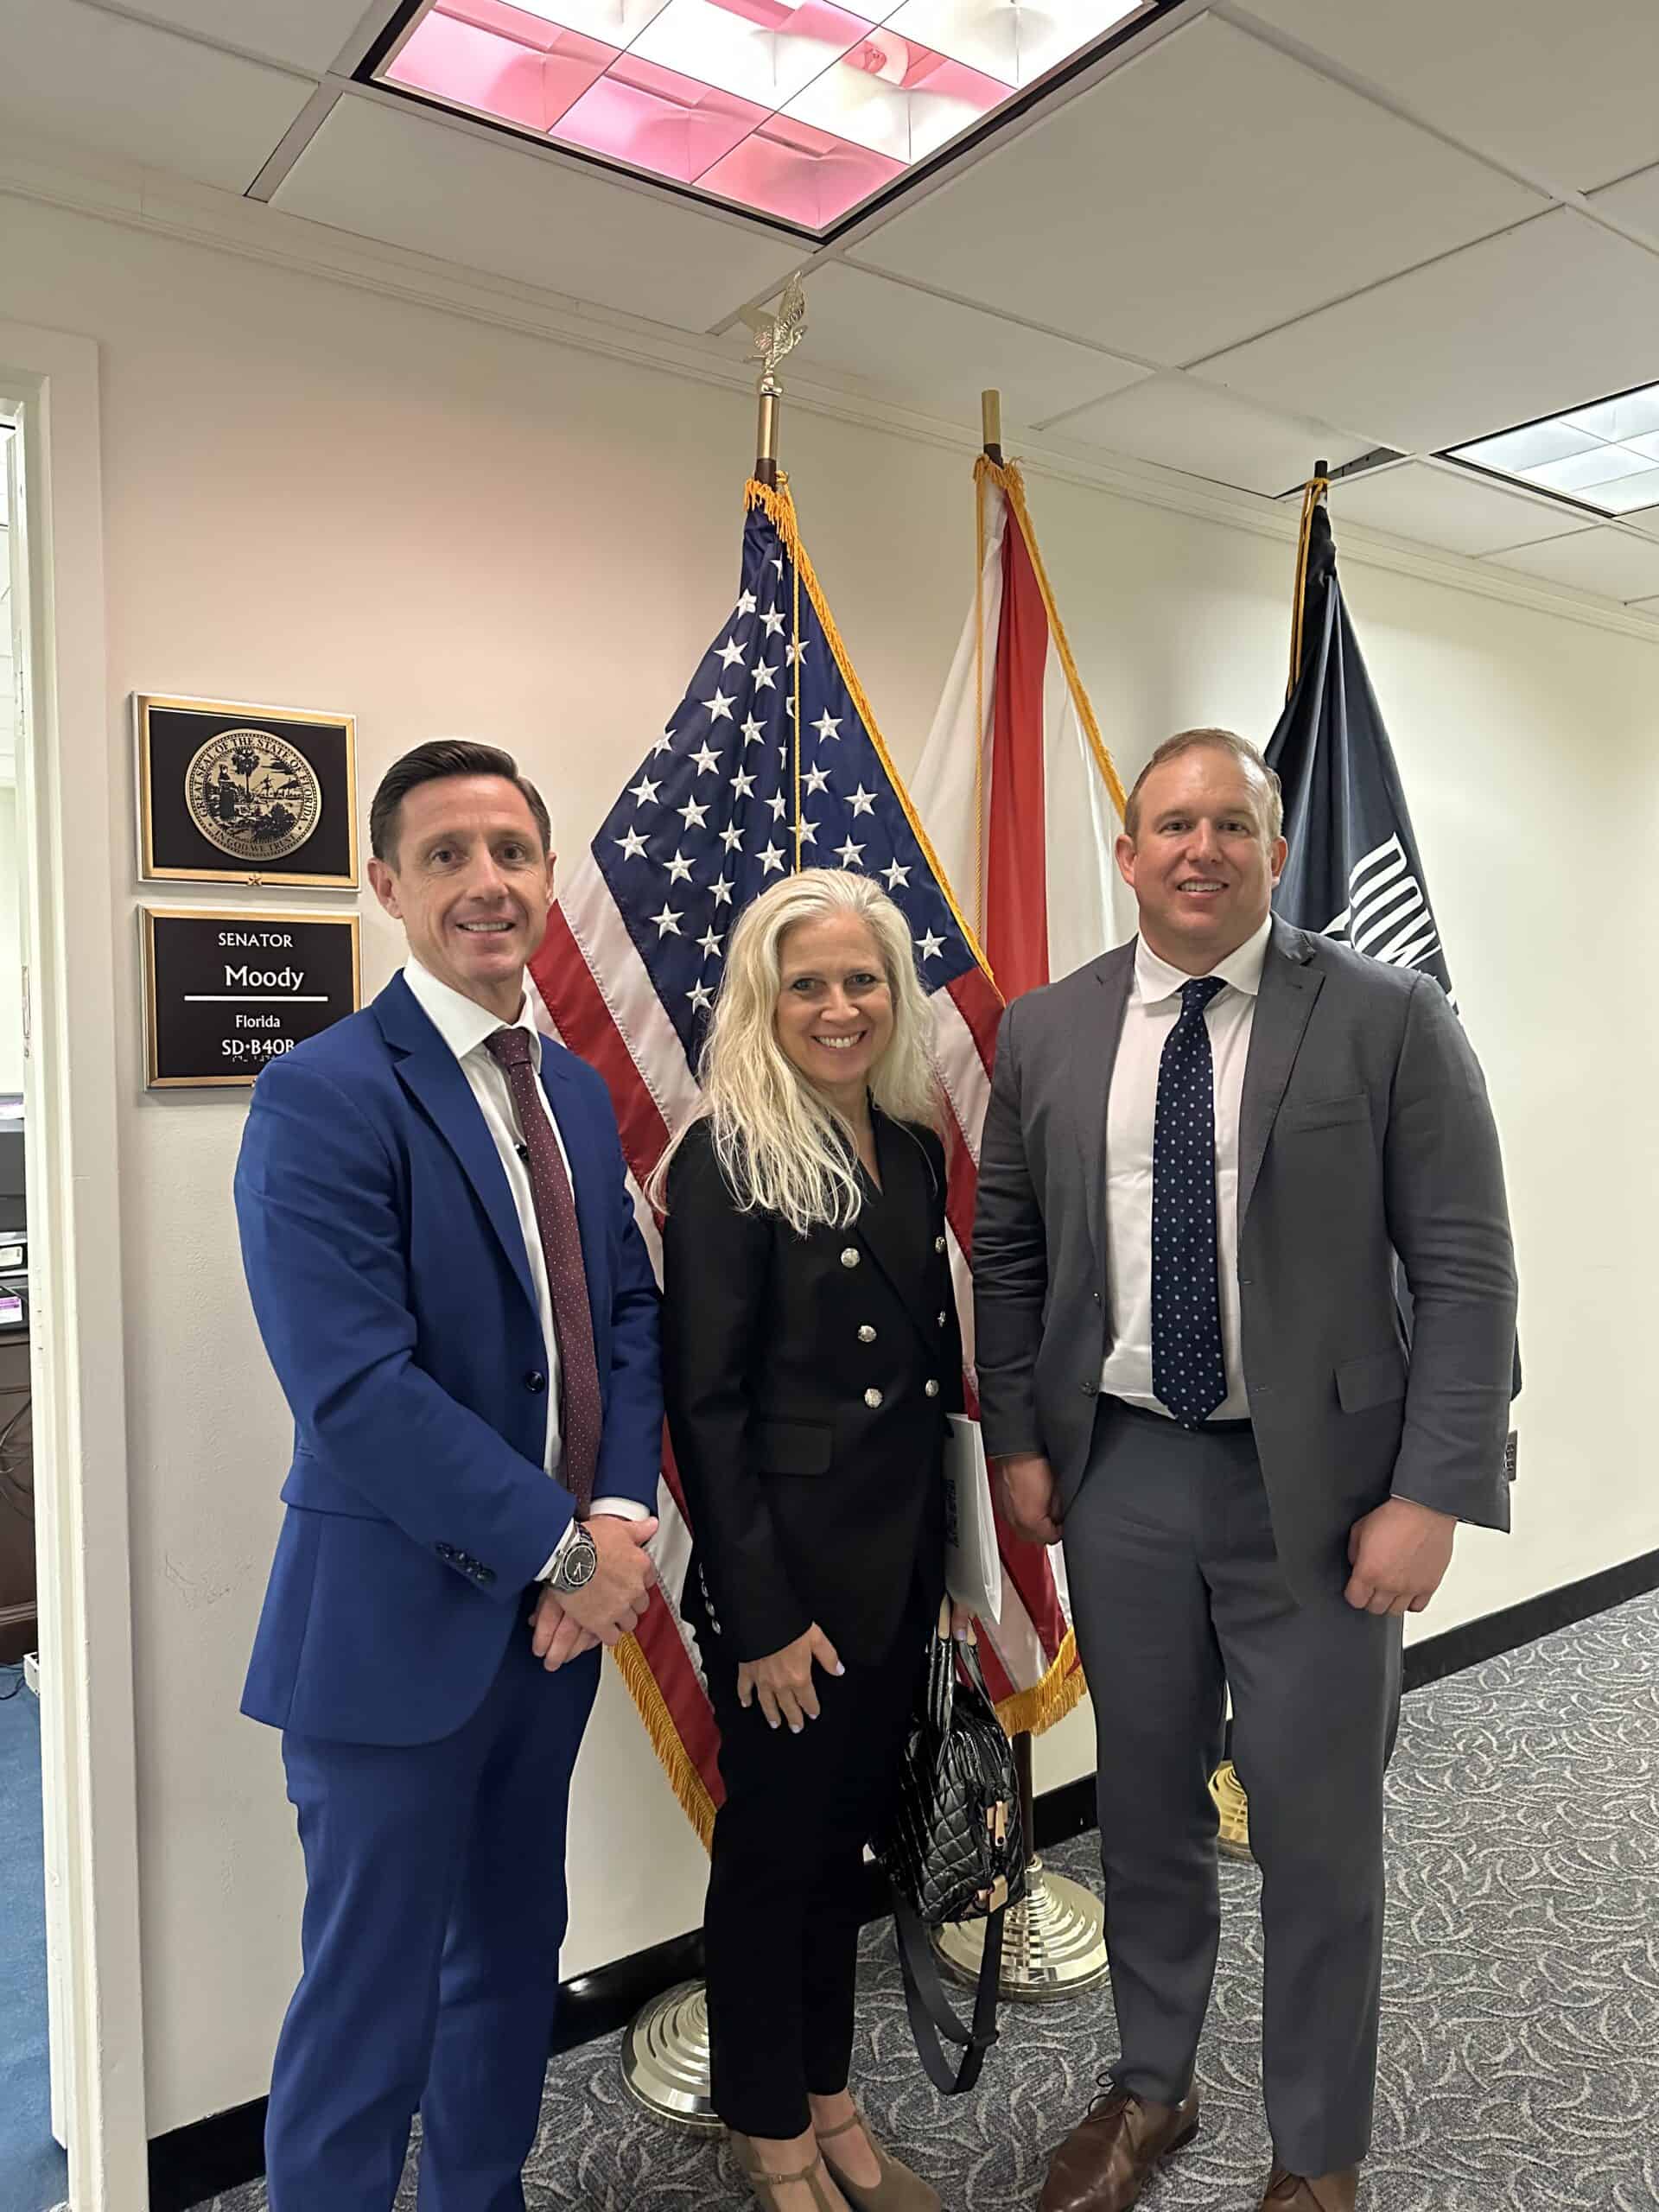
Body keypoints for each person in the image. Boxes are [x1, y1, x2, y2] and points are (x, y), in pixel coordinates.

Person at [975, 729, 1517, 2212]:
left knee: (1315, 1826)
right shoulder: (1048, 1030)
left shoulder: (1389, 1018)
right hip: (1126, 1472)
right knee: (1143, 1806)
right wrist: (1020, 1435)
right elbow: (1010, 1254)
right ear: (1130, 850)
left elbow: (1464, 1268)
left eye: (1231, 823)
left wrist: (1435, 1491)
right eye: (1170, 824)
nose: (1199, 849)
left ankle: (1316, 2154)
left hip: (1329, 1494)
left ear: (1274, 852)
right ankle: (1152, 2090)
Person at [235, 740, 664, 2211]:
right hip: (390, 1641)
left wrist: (617, 1514)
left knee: (507, 1970)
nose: (488, 883)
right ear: (386, 889)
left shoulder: (579, 1099)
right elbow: (355, 1394)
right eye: (446, 857)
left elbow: (622, 1315)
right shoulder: (324, 1095)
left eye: (512, 852)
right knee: (368, 2009)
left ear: (547, 876)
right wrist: (569, 1551)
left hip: (546, 1642)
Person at [656, 868, 961, 2212]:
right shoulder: (726, 1156)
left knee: (850, 1848)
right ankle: (771, 2130)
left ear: (894, 995)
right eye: (808, 984)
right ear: (761, 1002)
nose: (840, 1007)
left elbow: (929, 1386)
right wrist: (763, 1616)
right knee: (774, 1857)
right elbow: (706, 1410)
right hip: (788, 1587)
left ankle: (833, 2095)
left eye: (863, 980)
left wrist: (947, 1573)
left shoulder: (911, 1146)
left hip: (892, 1569)